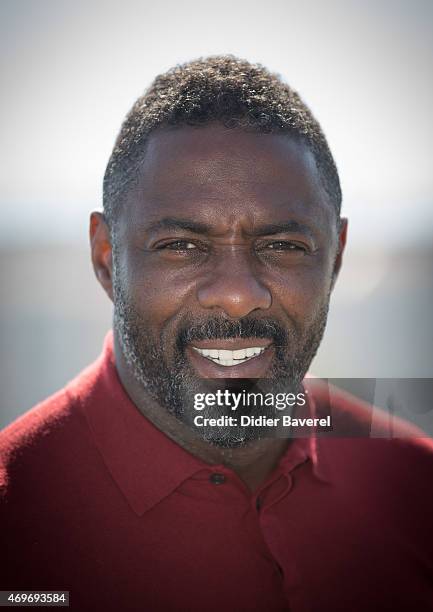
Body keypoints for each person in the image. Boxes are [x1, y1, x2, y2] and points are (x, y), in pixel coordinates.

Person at [1, 56, 432, 612]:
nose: (236, 293)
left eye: (283, 246)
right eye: (182, 245)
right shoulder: (15, 518)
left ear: (336, 257)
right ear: (106, 257)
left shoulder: (414, 488)